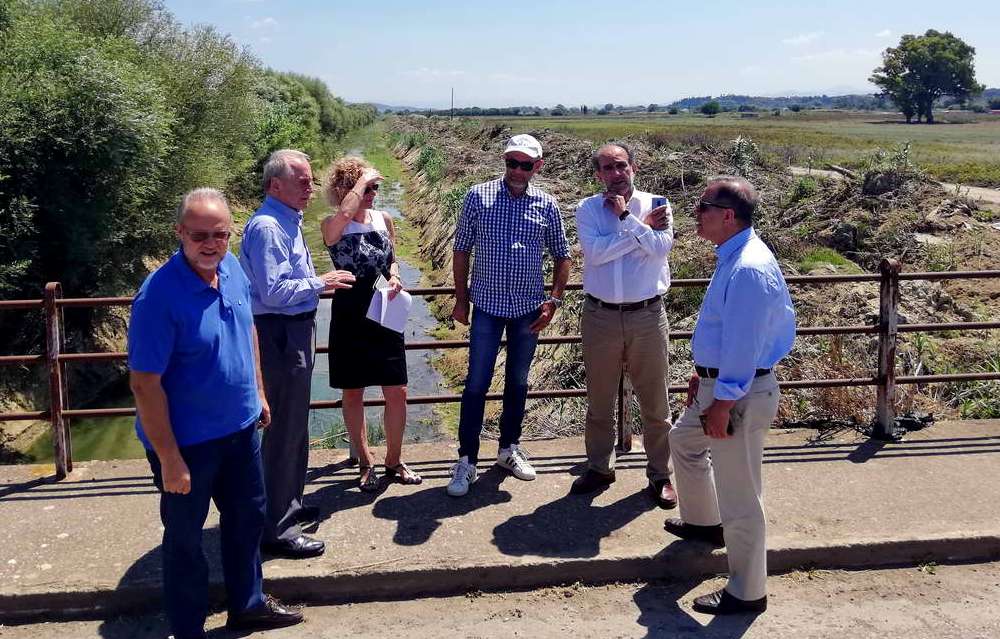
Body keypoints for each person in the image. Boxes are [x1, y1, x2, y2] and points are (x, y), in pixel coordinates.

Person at [129, 188, 304, 637]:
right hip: (187, 443)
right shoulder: (157, 297)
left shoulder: (231, 268)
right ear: (180, 233)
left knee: (247, 521)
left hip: (241, 431)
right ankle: (188, 628)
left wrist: (259, 392)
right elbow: (145, 384)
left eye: (220, 234)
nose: (210, 244)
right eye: (199, 235)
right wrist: (170, 458)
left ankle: (248, 605)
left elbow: (248, 331)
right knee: (185, 540)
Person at [665, 176, 796, 615]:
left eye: (702, 207)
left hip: (737, 392)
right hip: (720, 385)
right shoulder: (734, 256)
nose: (695, 213)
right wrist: (703, 375)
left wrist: (722, 402)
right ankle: (705, 523)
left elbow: (744, 346)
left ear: (727, 216)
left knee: (740, 496)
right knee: (684, 441)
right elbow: (728, 334)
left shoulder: (748, 268)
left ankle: (747, 590)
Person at [239, 149, 355, 559]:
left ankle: (289, 504)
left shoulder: (286, 219)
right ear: (275, 185)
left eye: (310, 180)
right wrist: (320, 282)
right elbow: (272, 292)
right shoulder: (269, 227)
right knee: (283, 430)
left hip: (291, 331)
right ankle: (276, 528)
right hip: (280, 335)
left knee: (294, 426)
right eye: (302, 181)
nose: (310, 187)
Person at [447, 134, 571, 497]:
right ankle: (467, 460)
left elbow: (563, 255)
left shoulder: (547, 204)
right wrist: (461, 300)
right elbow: (461, 249)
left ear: (538, 167)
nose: (517, 170)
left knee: (518, 382)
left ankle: (508, 449)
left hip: (528, 311)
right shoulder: (478, 196)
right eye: (511, 162)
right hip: (486, 307)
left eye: (525, 164)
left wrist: (553, 301)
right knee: (476, 383)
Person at [572, 143, 677, 509]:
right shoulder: (587, 208)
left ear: (633, 167)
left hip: (647, 315)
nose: (615, 173)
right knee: (599, 400)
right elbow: (595, 254)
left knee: (655, 401)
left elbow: (660, 249)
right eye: (607, 167)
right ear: (598, 174)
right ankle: (600, 467)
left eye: (621, 165)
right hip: (600, 316)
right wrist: (639, 232)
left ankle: (660, 474)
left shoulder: (658, 203)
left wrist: (627, 219)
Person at [321, 156, 422, 491]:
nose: (372, 194)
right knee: (353, 391)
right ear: (343, 190)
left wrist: (395, 277)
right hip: (350, 313)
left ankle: (394, 460)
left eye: (375, 187)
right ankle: (366, 462)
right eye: (366, 188)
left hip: (384, 310)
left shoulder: (384, 219)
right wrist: (362, 181)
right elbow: (339, 224)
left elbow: (392, 260)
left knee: (397, 390)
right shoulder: (332, 224)